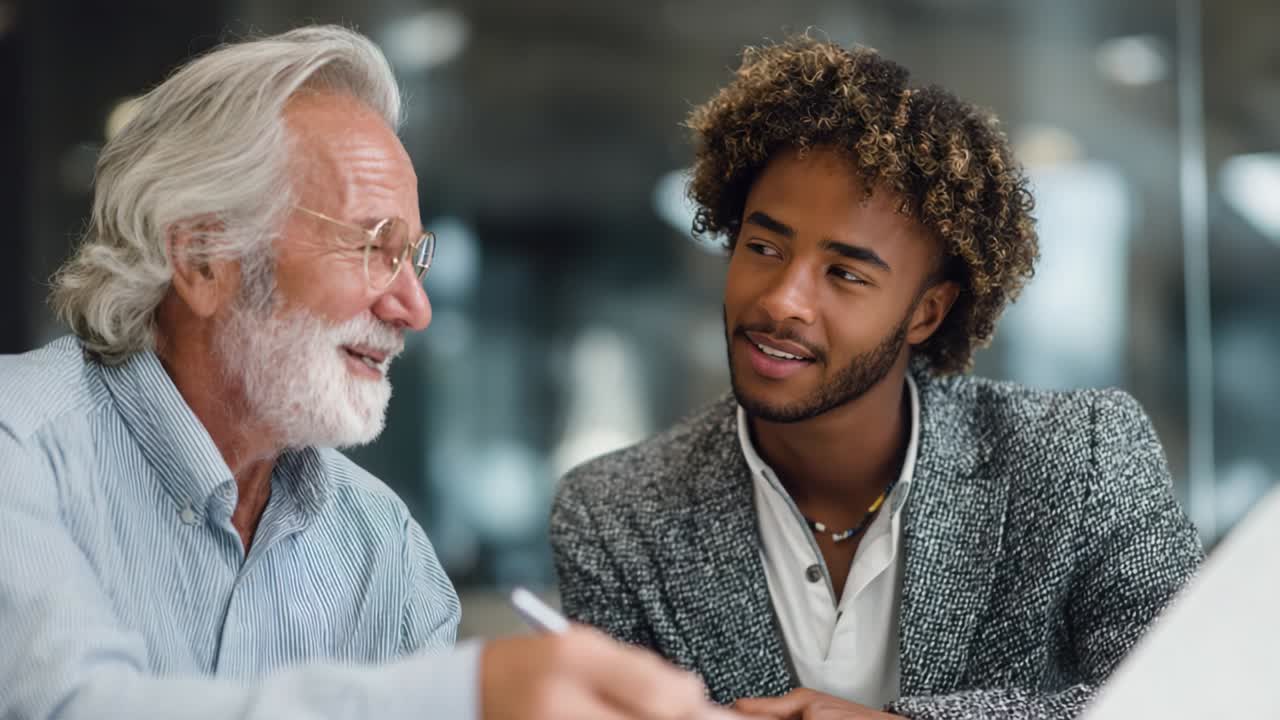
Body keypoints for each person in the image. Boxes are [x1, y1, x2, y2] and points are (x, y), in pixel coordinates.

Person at [0, 26, 738, 720]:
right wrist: (468, 694)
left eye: (414, 256)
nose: (414, 308)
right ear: (203, 259)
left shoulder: (381, 542)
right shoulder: (18, 447)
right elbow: (70, 707)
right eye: (373, 246)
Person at [551, 36, 1203, 719]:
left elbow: (1194, 697)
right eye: (763, 247)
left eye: (845, 275)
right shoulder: (615, 515)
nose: (782, 301)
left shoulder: (1079, 457)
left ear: (927, 311)